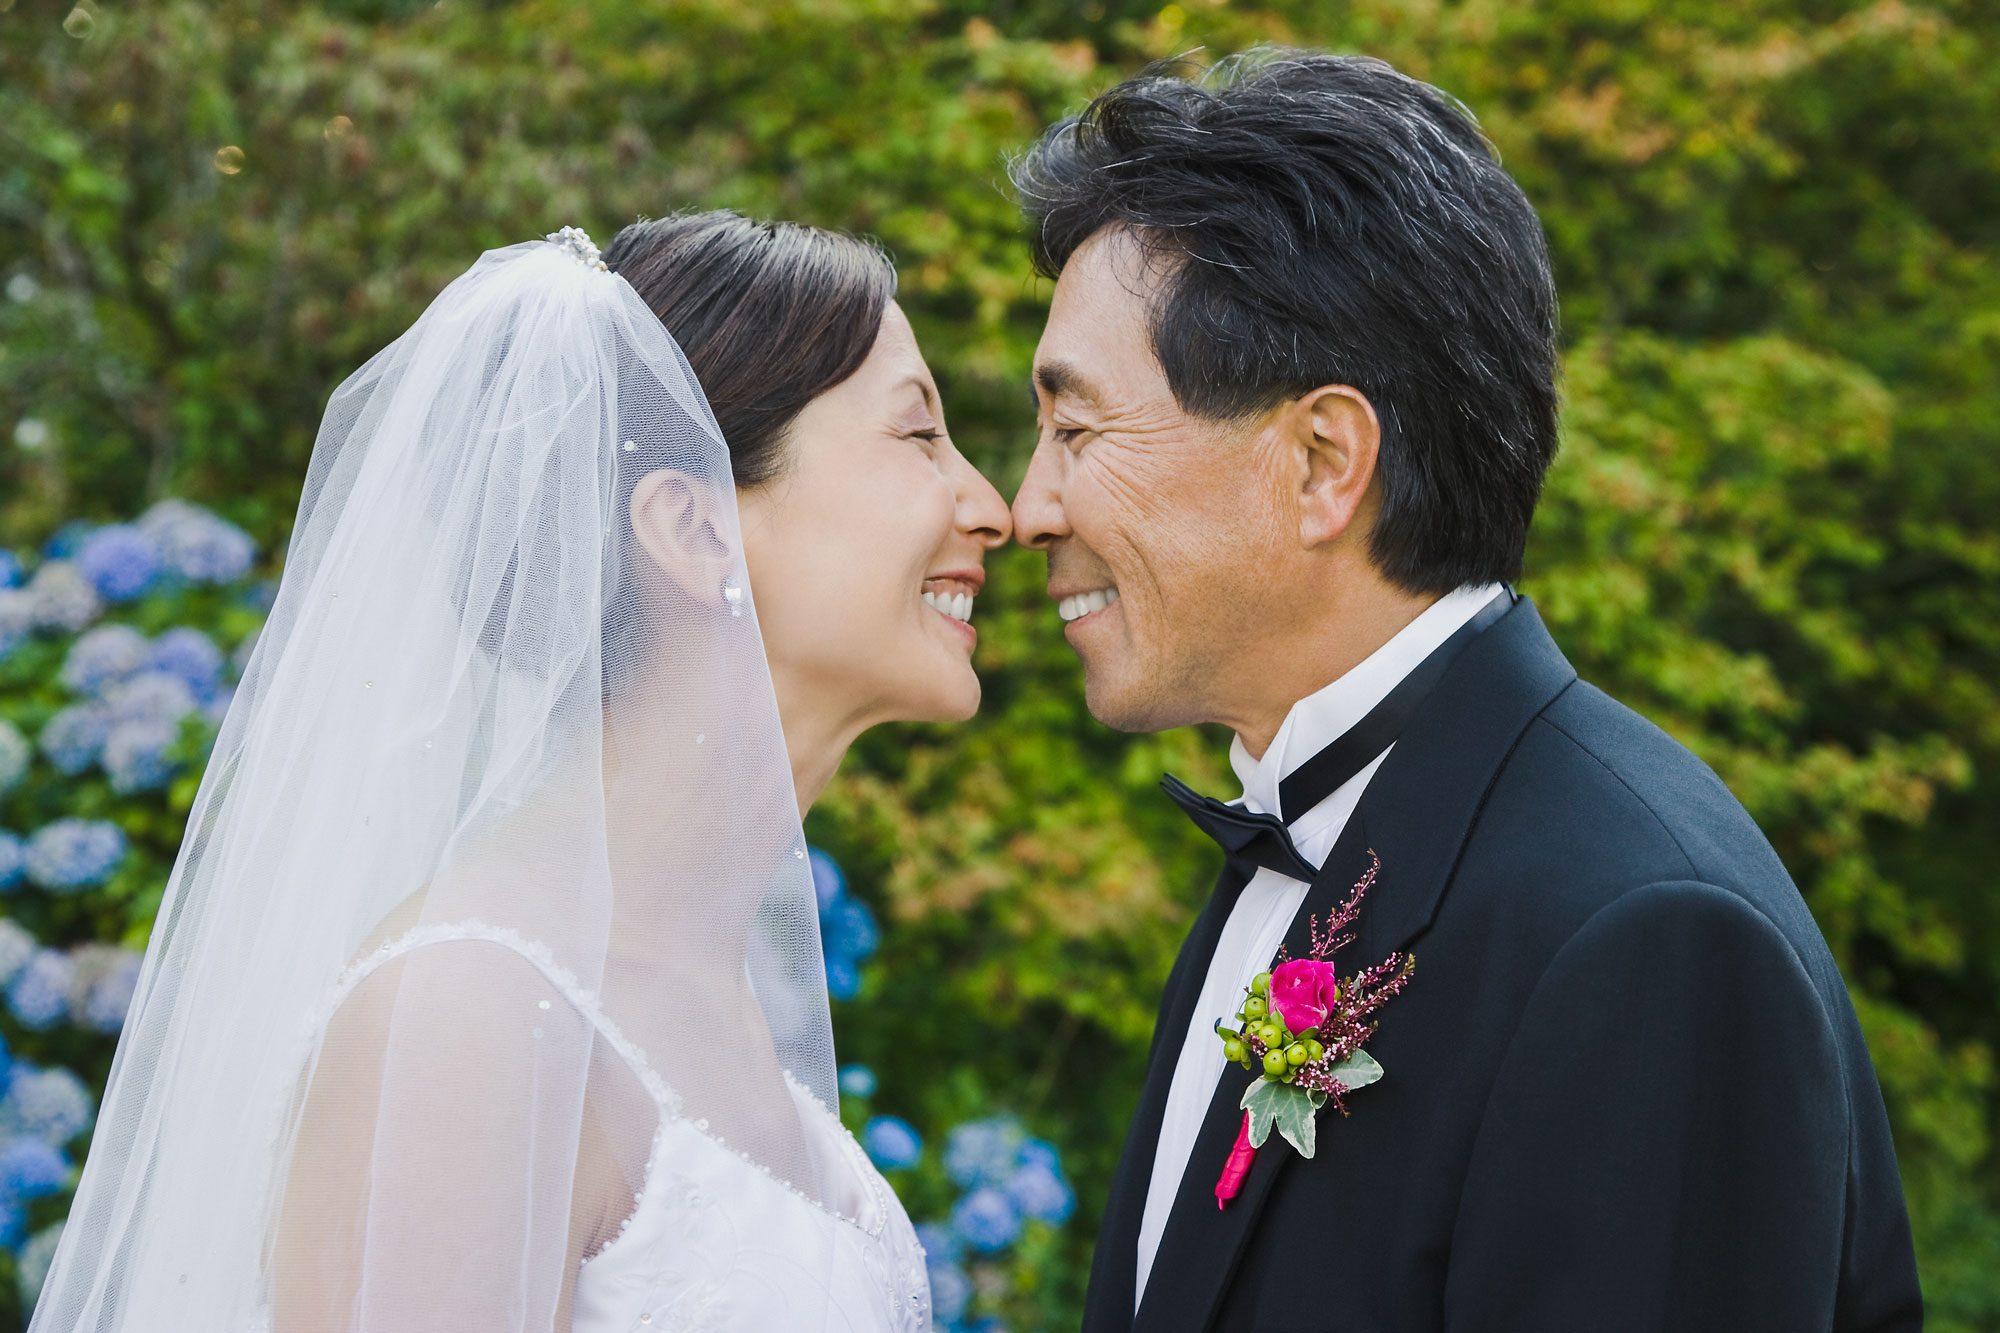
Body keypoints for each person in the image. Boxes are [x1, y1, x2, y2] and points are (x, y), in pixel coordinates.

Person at [1009, 50, 1924, 1332]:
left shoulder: (1643, 938)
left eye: (1077, 428)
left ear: (1322, 461)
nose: (1025, 506)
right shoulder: (1316, 833)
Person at [28, 212, 1009, 1331]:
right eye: (919, 437)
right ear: (691, 527)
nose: (994, 507)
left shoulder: (726, 991)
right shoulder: (466, 1013)